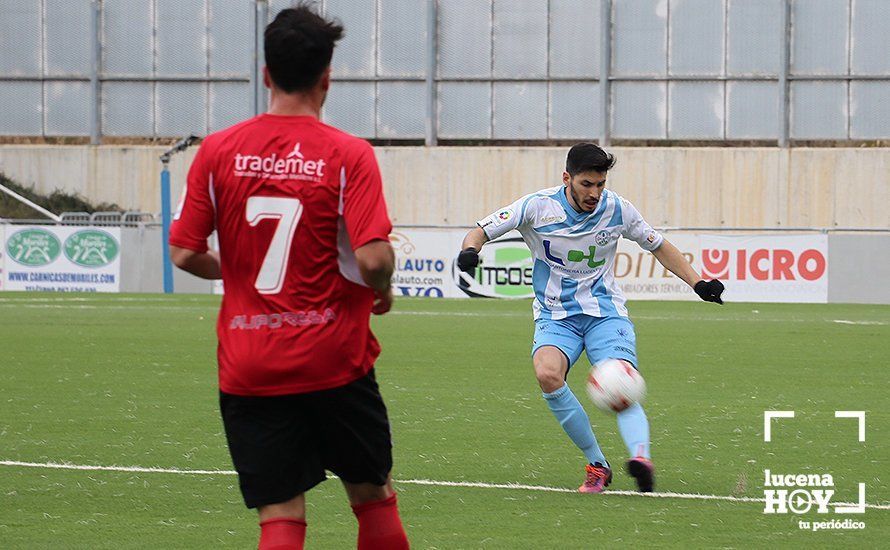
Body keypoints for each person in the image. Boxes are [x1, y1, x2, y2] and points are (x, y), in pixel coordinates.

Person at [168, 5, 409, 549]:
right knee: (373, 497)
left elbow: (184, 254)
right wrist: (382, 290)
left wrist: (239, 276)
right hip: (335, 359)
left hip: (251, 363)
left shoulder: (217, 151)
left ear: (265, 73)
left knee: (280, 515)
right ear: (327, 77)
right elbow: (373, 259)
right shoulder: (349, 154)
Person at [457, 143, 724, 494]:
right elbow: (481, 229)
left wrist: (698, 282)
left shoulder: (617, 208)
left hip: (605, 314)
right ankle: (597, 464)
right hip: (556, 316)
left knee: (620, 380)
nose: (594, 193)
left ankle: (641, 458)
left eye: (600, 184)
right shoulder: (536, 207)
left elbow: (657, 244)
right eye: (586, 184)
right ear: (567, 178)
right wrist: (469, 251)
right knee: (547, 375)